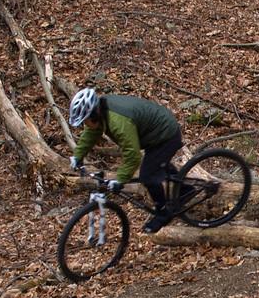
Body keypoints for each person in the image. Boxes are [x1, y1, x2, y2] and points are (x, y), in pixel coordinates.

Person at [68, 88, 182, 234]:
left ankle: (163, 213)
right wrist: (78, 156)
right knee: (156, 163)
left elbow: (133, 155)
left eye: (85, 121)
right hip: (153, 133)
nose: (85, 125)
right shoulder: (102, 113)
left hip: (166, 134)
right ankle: (184, 189)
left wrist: (120, 179)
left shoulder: (118, 123)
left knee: (147, 176)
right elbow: (91, 133)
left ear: (94, 114)